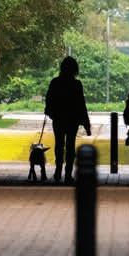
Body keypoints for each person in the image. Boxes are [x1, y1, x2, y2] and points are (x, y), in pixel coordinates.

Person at [43, 56, 92, 184]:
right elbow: (81, 105)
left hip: (58, 118)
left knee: (59, 145)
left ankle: (58, 170)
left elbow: (49, 99)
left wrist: (50, 112)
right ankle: (68, 173)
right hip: (72, 120)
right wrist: (86, 124)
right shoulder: (76, 84)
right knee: (70, 146)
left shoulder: (55, 82)